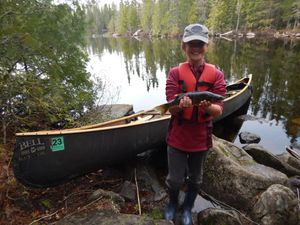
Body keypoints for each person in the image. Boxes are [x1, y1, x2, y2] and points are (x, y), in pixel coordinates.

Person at [164, 23, 226, 225]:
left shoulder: (216, 75)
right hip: (178, 136)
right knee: (174, 180)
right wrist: (180, 106)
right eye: (192, 43)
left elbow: (218, 109)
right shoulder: (175, 73)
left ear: (206, 46)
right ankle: (172, 204)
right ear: (184, 46)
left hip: (201, 137)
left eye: (200, 43)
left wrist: (208, 107)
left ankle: (188, 209)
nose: (196, 47)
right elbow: (171, 109)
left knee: (196, 180)